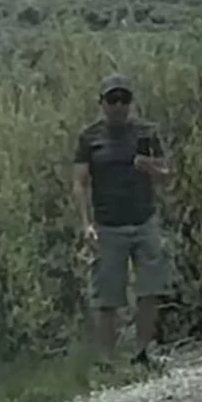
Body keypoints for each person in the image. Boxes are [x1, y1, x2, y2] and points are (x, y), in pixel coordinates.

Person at [72, 73, 172, 369]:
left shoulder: (146, 132)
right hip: (108, 225)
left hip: (144, 221)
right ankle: (106, 360)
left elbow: (168, 175)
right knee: (107, 296)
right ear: (101, 103)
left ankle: (141, 353)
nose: (118, 106)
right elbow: (80, 183)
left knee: (150, 289)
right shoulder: (90, 137)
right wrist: (85, 223)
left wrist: (151, 167)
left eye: (124, 100)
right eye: (112, 100)